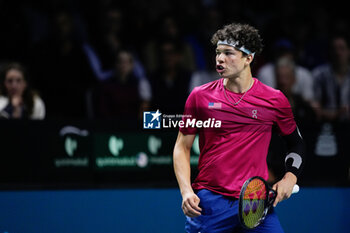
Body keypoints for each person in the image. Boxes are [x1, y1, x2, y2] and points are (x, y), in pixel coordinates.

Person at [173, 23, 305, 233]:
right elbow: (182, 147)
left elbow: (295, 143)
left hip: (255, 202)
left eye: (228, 53)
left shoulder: (274, 100)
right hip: (210, 202)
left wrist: (290, 177)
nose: (220, 58)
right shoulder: (199, 97)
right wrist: (186, 191)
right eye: (218, 52)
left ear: (248, 58)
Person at [312, 35, 350, 122]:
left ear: (348, 51)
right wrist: (332, 114)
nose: (338, 53)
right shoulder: (319, 74)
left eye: (342, 48)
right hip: (324, 123)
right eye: (335, 49)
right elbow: (314, 104)